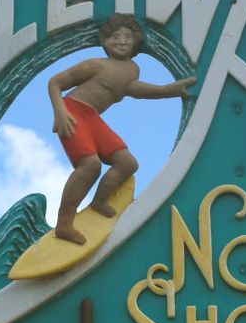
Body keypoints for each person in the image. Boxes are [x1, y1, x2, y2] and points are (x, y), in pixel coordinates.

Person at [47, 14, 196, 244]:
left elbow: (134, 89)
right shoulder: (95, 64)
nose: (122, 41)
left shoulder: (132, 70)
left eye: (127, 37)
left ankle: (99, 201)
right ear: (105, 41)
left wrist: (169, 90)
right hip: (73, 112)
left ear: (136, 42)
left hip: (92, 118)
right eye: (115, 36)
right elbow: (56, 82)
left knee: (128, 163)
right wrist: (60, 112)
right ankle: (64, 224)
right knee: (91, 164)